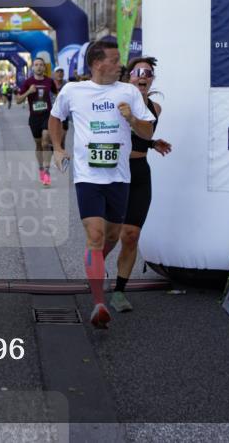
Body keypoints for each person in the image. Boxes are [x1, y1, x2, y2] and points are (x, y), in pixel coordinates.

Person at [49, 40, 155, 329]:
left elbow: (147, 130)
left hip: (119, 177)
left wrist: (132, 118)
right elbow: (55, 118)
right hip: (88, 177)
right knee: (94, 236)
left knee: (112, 236)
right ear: (97, 63)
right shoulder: (73, 90)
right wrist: (57, 148)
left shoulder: (129, 92)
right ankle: (98, 303)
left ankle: (92, 265)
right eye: (115, 58)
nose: (121, 64)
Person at [111, 56, 172, 314]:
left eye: (148, 73)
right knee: (108, 235)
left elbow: (140, 135)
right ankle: (93, 276)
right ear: (129, 78)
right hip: (115, 173)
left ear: (152, 80)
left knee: (131, 235)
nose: (143, 76)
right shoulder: (117, 103)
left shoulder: (155, 108)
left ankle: (119, 292)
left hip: (139, 172)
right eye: (138, 72)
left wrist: (151, 143)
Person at [15, 58, 59, 186]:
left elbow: (58, 95)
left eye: (41, 65)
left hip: (47, 115)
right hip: (34, 118)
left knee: (46, 142)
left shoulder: (49, 81)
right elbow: (18, 100)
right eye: (36, 65)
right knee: (39, 145)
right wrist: (29, 91)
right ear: (32, 68)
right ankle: (41, 168)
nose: (39, 67)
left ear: (44, 68)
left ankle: (46, 171)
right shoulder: (28, 82)